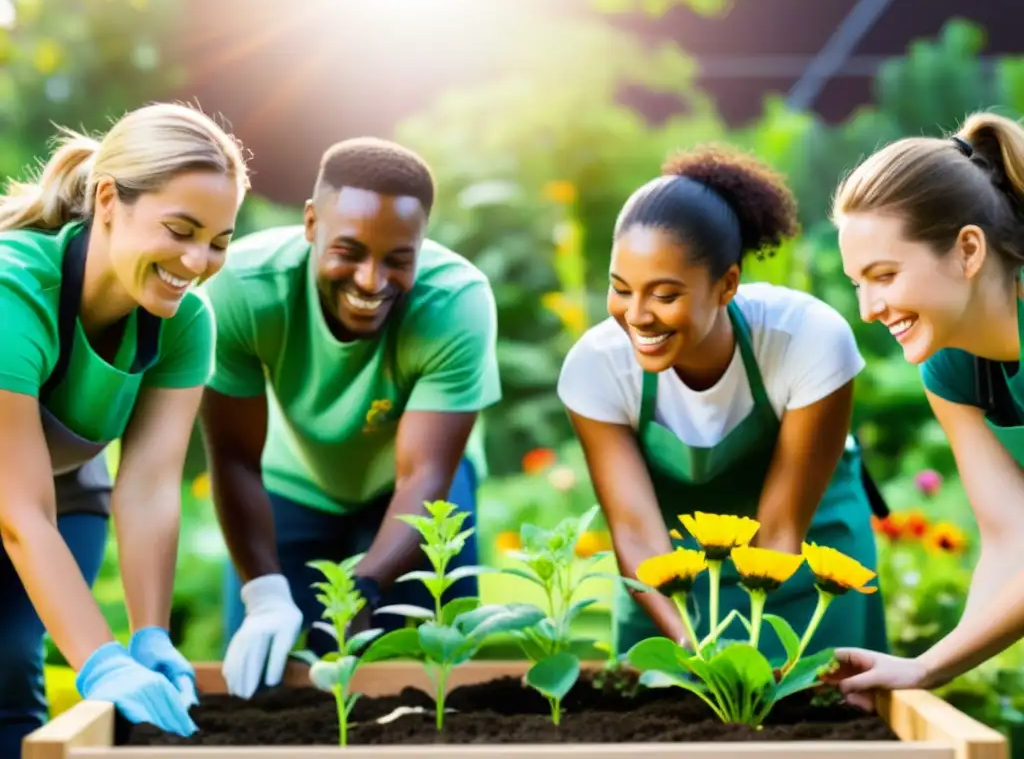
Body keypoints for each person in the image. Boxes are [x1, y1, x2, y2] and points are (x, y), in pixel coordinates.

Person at [556, 144, 889, 661]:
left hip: (805, 563)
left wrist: (743, 658)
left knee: (820, 719)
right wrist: (689, 643)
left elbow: (780, 529)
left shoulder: (804, 339)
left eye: (664, 296)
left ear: (727, 284)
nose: (637, 316)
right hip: (667, 577)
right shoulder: (597, 366)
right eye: (621, 290)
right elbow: (636, 532)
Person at [198, 136, 501, 700]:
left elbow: (424, 478)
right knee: (262, 680)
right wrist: (265, 594)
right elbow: (234, 458)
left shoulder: (455, 302)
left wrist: (364, 590)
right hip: (289, 480)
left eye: (397, 259)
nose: (371, 280)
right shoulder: (242, 287)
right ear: (311, 224)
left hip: (415, 490)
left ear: (422, 243)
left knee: (427, 683)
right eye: (349, 251)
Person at [0, 102, 250, 755]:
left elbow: (148, 487)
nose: (197, 261)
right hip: (22, 491)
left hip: (66, 487)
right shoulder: (13, 289)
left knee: (9, 656)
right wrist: (101, 661)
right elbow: (20, 512)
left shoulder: (184, 325)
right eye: (180, 229)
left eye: (218, 241)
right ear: (109, 198)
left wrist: (149, 636)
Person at [826, 111, 1024, 708]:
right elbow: (1010, 535)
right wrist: (928, 666)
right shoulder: (950, 367)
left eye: (884, 275)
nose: (868, 309)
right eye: (857, 283)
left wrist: (932, 665)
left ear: (968, 250)